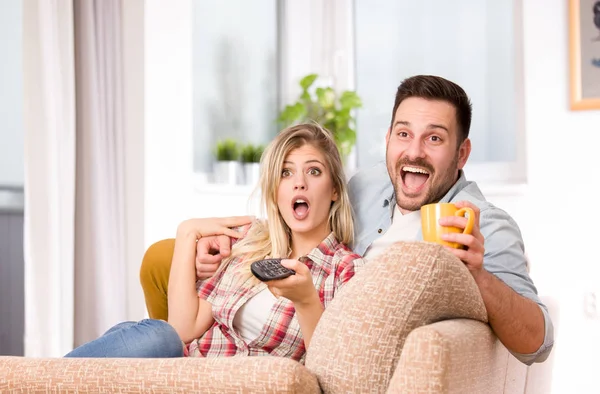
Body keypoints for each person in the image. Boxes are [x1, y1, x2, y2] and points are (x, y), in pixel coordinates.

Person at [140, 75, 553, 365]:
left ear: (462, 154)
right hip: (288, 288)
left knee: (163, 328)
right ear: (388, 137)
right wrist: (229, 244)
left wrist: (476, 275)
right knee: (164, 257)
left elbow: (538, 342)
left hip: (339, 330)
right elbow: (304, 205)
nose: (415, 152)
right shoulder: (366, 185)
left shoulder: (484, 224)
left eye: (435, 138)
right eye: (404, 134)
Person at [65, 123, 364, 361]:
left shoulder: (346, 271)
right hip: (188, 369)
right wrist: (187, 233)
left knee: (150, 337)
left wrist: (306, 300)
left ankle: (35, 380)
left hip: (234, 382)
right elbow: (184, 329)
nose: (299, 182)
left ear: (335, 189)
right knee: (152, 335)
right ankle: (37, 380)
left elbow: (331, 366)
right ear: (275, 192)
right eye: (286, 173)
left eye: (314, 171)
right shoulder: (251, 241)